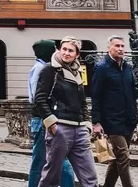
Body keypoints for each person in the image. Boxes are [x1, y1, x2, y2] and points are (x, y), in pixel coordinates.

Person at [34, 36, 98, 187]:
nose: (66, 53)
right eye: (64, 49)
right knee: (51, 176)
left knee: (90, 177)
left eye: (71, 50)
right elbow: (39, 98)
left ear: (77, 54)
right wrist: (52, 123)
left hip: (80, 129)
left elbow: (82, 101)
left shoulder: (77, 72)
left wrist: (87, 124)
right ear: (59, 50)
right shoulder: (50, 70)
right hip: (60, 128)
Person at [92, 35, 138, 187]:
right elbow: (96, 96)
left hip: (128, 120)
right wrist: (97, 122)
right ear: (109, 48)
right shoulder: (102, 68)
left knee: (118, 158)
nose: (120, 49)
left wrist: (134, 116)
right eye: (116, 46)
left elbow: (132, 94)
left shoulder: (127, 68)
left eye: (122, 46)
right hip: (112, 121)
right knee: (124, 157)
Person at [28, 39, 74, 187]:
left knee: (43, 159)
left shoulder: (41, 67)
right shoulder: (42, 69)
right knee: (56, 158)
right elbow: (37, 97)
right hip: (44, 119)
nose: (57, 52)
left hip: (43, 119)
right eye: (54, 49)